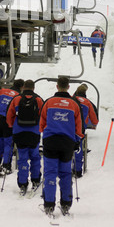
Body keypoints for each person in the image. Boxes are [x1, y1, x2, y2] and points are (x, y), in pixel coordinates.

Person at [39, 76, 84, 216]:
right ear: (68, 87)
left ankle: (49, 204)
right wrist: (76, 141)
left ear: (57, 86)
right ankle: (65, 203)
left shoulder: (49, 102)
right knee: (65, 173)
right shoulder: (74, 104)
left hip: (51, 142)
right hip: (67, 143)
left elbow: (41, 124)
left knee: (50, 173)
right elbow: (79, 127)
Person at [6, 79, 44, 194]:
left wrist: (13, 126)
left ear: (23, 88)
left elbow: (9, 116)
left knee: (22, 158)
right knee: (35, 157)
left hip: (19, 132)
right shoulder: (38, 100)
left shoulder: (16, 99)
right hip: (34, 133)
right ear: (33, 88)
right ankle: (36, 179)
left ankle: (22, 183)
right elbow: (43, 116)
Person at [0, 79, 24, 173]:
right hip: (8, 120)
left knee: (1, 144)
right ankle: (6, 165)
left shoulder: (3, 91)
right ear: (22, 87)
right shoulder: (19, 96)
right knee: (8, 143)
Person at [72, 84, 99, 177]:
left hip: (68, 127)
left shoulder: (70, 99)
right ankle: (77, 170)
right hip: (80, 129)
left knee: (66, 147)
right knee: (78, 149)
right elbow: (94, 118)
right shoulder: (87, 102)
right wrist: (92, 123)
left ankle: (64, 169)